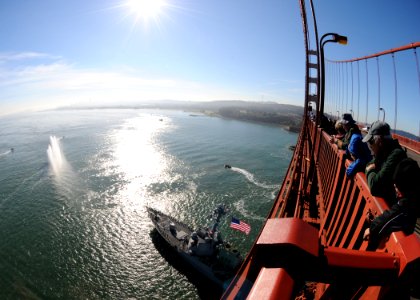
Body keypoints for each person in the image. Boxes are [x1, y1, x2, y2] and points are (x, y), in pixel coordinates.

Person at [363, 158, 419, 250]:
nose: (394, 187)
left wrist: (371, 229)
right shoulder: (414, 193)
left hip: (407, 237)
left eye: (397, 186)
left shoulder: (406, 205)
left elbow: (390, 217)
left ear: (403, 189)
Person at [363, 121, 407, 204]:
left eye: (371, 142)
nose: (370, 146)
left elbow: (375, 186)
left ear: (379, 141)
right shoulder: (383, 153)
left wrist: (370, 170)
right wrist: (370, 168)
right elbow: (369, 164)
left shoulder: (396, 155)